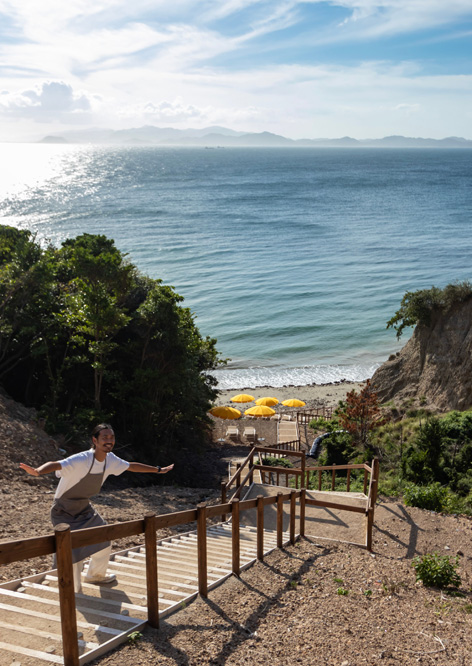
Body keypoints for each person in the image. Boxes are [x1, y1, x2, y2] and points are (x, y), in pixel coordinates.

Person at [20, 423, 174, 594]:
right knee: (72, 552)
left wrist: (158, 470)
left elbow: (131, 466)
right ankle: (72, 589)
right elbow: (56, 464)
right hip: (63, 510)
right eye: (105, 437)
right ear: (95, 440)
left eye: (112, 437)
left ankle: (95, 575)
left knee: (104, 539)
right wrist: (37, 471)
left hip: (85, 508)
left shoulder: (111, 460)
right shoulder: (82, 459)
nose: (109, 440)